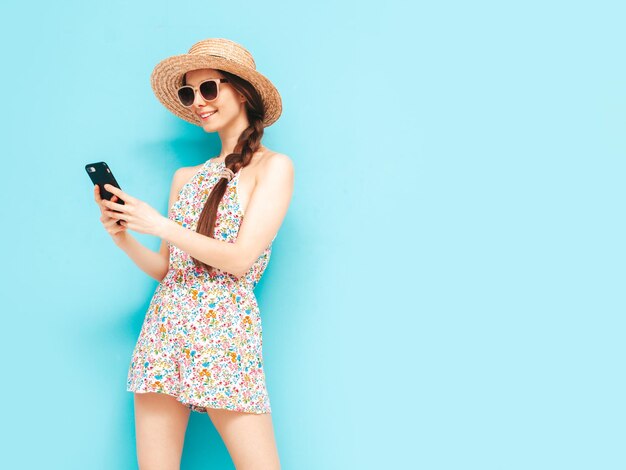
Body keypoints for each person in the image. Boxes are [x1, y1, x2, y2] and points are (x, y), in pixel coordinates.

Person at [93, 38, 293, 469]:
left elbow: (240, 260)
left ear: (242, 90)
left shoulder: (273, 167)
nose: (198, 102)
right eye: (189, 93)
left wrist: (160, 224)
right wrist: (124, 236)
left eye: (208, 88)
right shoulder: (187, 177)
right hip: (166, 326)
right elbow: (167, 268)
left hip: (226, 331)